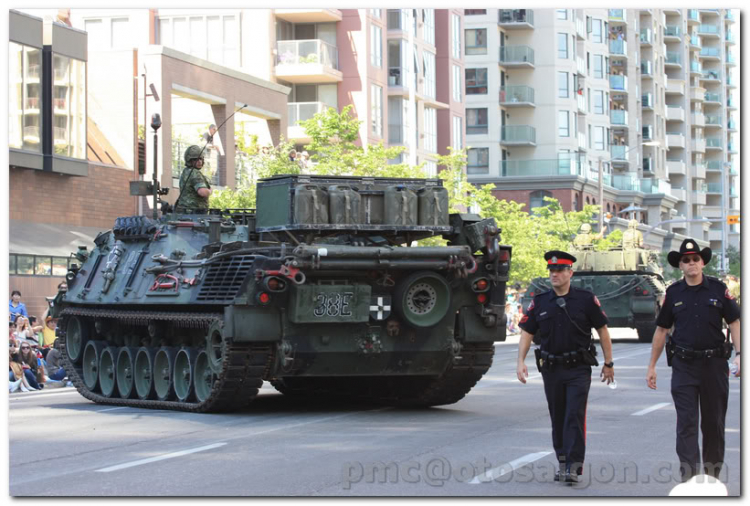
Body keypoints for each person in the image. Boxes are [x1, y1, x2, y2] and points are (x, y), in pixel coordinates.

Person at [646, 238, 740, 482]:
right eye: (686, 260)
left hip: (714, 366)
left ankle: (711, 478)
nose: (691, 263)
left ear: (702, 263)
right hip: (684, 366)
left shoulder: (718, 290)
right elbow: (662, 330)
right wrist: (652, 366)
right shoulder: (673, 292)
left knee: (713, 424)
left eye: (695, 259)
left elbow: (735, 323)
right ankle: (689, 478)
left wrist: (740, 355)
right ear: (681, 265)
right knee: (686, 423)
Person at [517, 250, 614, 484]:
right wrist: (520, 361)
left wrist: (609, 363)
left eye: (560, 270)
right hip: (551, 369)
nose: (555, 274)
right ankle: (562, 461)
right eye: (551, 270)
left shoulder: (585, 299)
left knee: (574, 415)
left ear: (570, 272)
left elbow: (602, 330)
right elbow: (527, 331)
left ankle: (573, 465)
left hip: (578, 369)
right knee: (558, 416)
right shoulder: (540, 302)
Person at [174, 145, 212, 214]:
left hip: (184, 214)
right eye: (196, 159)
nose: (199, 162)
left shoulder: (185, 172)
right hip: (195, 215)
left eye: (200, 159)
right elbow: (202, 192)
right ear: (190, 160)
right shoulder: (194, 173)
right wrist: (209, 191)